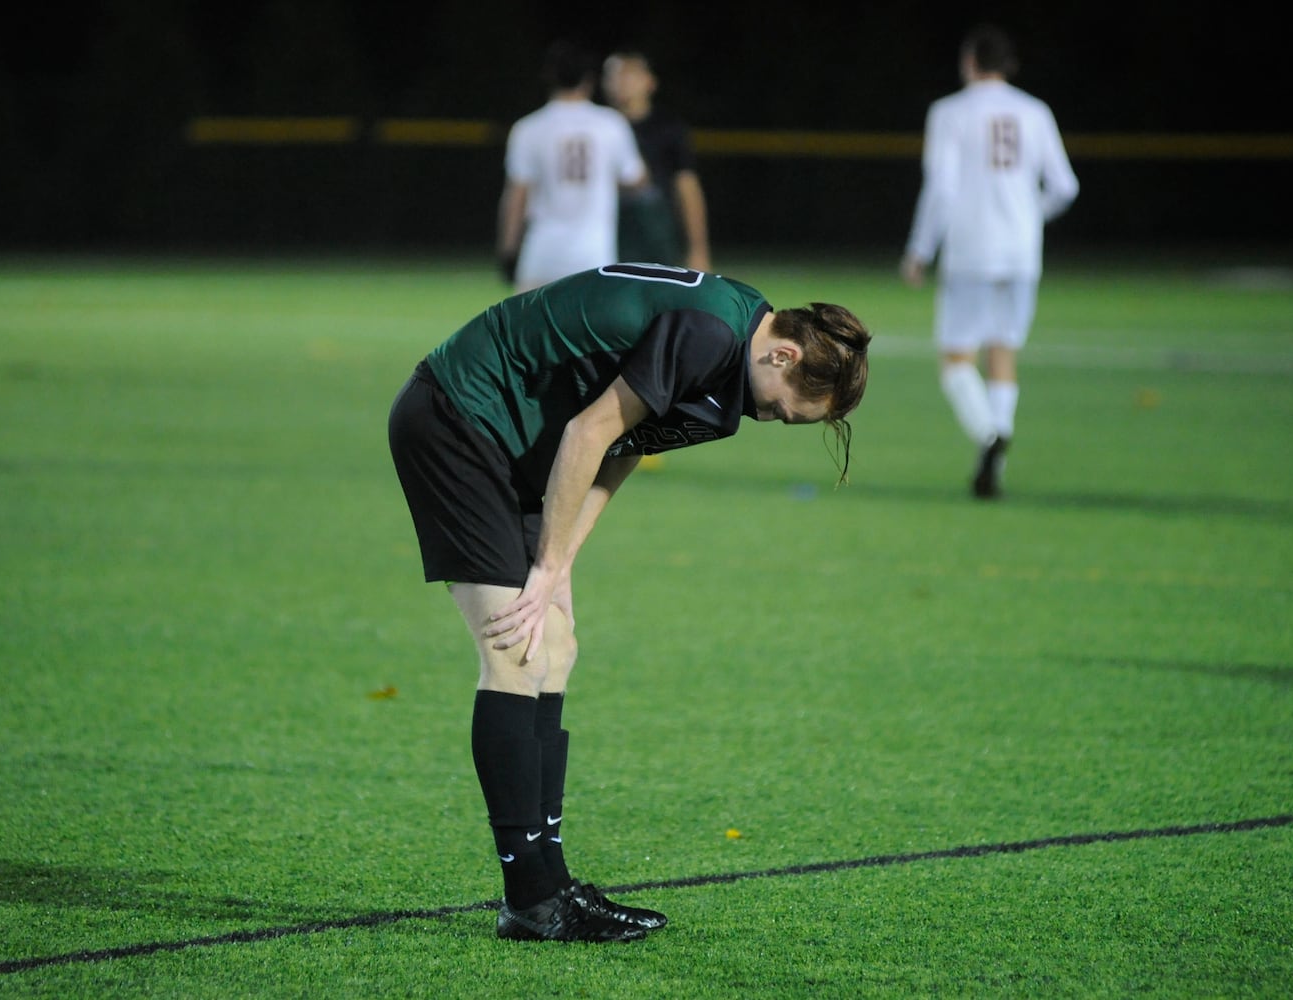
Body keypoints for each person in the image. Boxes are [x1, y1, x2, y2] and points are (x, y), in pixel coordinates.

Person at [388, 263, 871, 942]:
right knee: (515, 649)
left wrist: (559, 569)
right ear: (782, 354)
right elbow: (589, 431)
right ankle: (529, 896)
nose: (774, 419)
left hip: (519, 440)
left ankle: (549, 883)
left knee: (555, 647)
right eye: (783, 409)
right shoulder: (710, 335)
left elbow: (617, 446)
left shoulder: (735, 347)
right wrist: (546, 565)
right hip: (459, 416)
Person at [900, 23, 1079, 499]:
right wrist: (1029, 217)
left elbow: (941, 186)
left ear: (970, 62)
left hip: (972, 249)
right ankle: (993, 465)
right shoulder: (1035, 111)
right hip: (1023, 252)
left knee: (957, 360)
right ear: (1008, 66)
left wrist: (920, 250)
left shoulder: (950, 112)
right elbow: (1065, 187)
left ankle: (989, 435)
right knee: (1003, 352)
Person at [497, 41, 648, 292]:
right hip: (593, 257)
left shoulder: (528, 127)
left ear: (548, 76)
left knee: (530, 328)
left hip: (542, 255)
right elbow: (637, 178)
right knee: (589, 330)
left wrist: (508, 248)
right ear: (589, 79)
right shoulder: (611, 123)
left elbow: (516, 197)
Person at [601, 51, 712, 273]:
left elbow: (687, 188)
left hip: (655, 235)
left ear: (649, 82)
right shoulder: (597, 126)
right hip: (605, 230)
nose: (621, 82)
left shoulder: (668, 128)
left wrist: (698, 248)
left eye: (629, 75)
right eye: (614, 76)